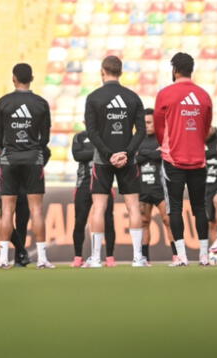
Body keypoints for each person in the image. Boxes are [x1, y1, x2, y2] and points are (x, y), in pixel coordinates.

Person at [84, 56, 146, 267]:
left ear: (103, 71)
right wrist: (126, 153)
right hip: (127, 160)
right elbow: (142, 131)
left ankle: (95, 258)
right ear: (120, 71)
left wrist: (108, 153)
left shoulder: (93, 97)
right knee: (134, 207)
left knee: (98, 208)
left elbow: (91, 131)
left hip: (102, 159)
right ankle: (138, 257)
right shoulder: (132, 97)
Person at [154, 52, 213, 266]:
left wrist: (167, 145)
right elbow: (206, 128)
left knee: (175, 208)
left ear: (174, 70)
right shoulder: (204, 95)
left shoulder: (165, 94)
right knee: (200, 208)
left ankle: (181, 256)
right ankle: (204, 255)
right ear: (191, 70)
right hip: (198, 159)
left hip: (173, 160)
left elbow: (160, 127)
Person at [0, 63, 53, 269]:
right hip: (33, 158)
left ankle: (2, 259)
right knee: (36, 209)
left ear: (13, 78)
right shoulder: (41, 103)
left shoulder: (3, 102)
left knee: (7, 210)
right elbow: (45, 137)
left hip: (9, 158)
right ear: (32, 78)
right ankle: (43, 259)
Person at [70, 129, 116, 267]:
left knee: (108, 221)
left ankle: (109, 257)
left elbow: (111, 155)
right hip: (83, 184)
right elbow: (77, 155)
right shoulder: (79, 136)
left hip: (103, 184)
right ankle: (78, 257)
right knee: (79, 221)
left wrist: (91, 153)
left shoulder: (107, 135)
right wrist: (100, 152)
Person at [137, 108, 175, 264]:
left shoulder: (163, 138)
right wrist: (152, 153)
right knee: (143, 222)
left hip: (161, 187)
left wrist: (145, 153)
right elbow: (135, 158)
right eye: (144, 122)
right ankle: (145, 258)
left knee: (168, 221)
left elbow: (163, 155)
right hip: (142, 188)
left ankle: (176, 255)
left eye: (149, 122)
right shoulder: (137, 139)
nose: (146, 125)